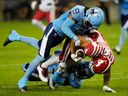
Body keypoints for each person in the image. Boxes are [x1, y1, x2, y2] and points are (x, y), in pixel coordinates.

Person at [4, 5, 99, 92]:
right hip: (54, 30)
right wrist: (74, 38)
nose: (87, 26)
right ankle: (23, 80)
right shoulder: (79, 11)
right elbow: (64, 27)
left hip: (62, 36)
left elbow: (80, 34)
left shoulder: (89, 22)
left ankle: (16, 36)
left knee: (39, 45)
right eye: (88, 23)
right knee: (42, 55)